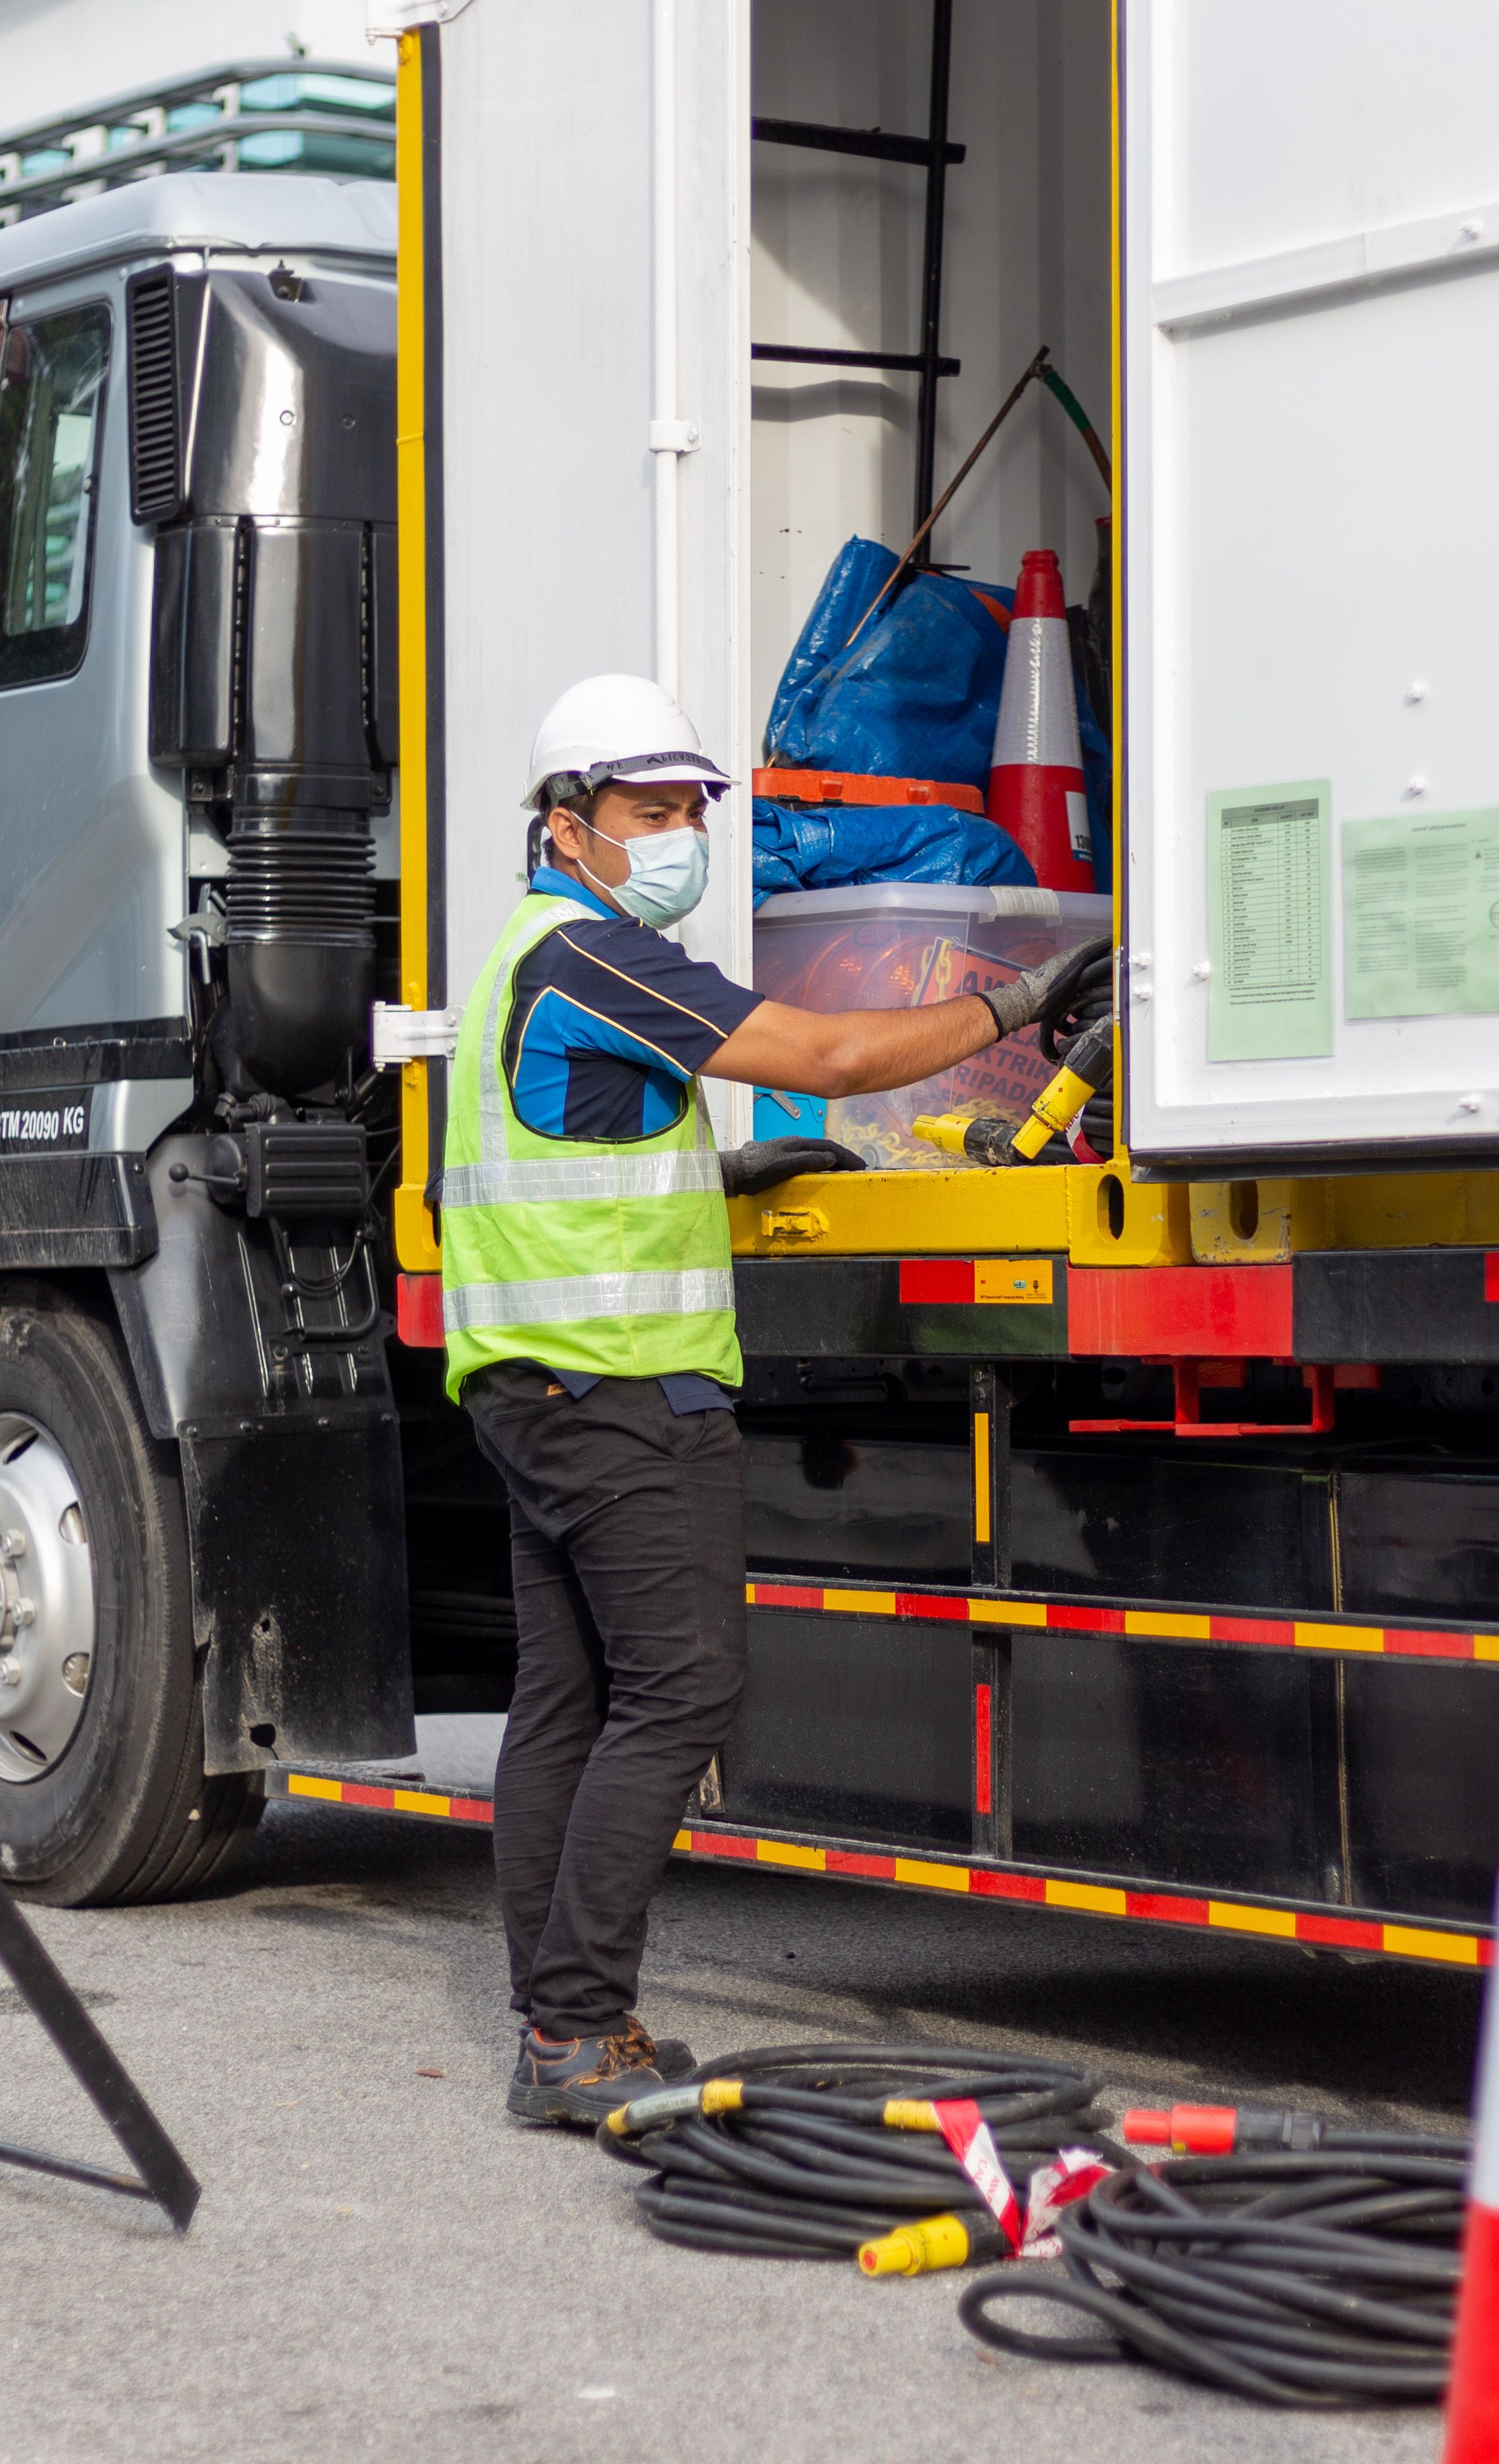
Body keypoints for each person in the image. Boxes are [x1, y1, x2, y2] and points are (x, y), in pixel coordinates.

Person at [444, 673, 1103, 2125]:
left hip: (535, 1382)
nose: (679, 834)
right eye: (649, 810)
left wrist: (716, 1173)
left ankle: (559, 2019)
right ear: (567, 826)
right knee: (683, 1689)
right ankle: (572, 2031)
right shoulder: (594, 957)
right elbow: (836, 1056)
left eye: (693, 809)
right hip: (620, 1389)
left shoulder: (518, 959)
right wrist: (1023, 992)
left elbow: (576, 1146)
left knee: (569, 1698)